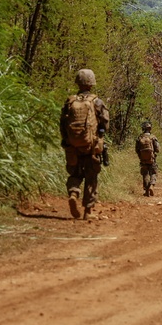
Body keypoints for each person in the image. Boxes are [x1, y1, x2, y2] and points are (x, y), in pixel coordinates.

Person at [59, 69, 110, 220]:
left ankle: (74, 192)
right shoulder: (97, 102)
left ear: (78, 82)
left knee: (75, 173)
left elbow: (62, 124)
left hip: (73, 146)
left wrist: (67, 140)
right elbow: (105, 124)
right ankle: (88, 211)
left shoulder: (70, 101)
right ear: (91, 84)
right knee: (91, 177)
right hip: (91, 146)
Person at [135, 121, 160, 197]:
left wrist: (141, 156)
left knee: (145, 174)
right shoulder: (153, 137)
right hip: (152, 159)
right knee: (153, 173)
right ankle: (152, 186)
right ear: (150, 128)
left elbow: (137, 149)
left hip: (143, 160)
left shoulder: (140, 138)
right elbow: (158, 149)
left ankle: (146, 191)